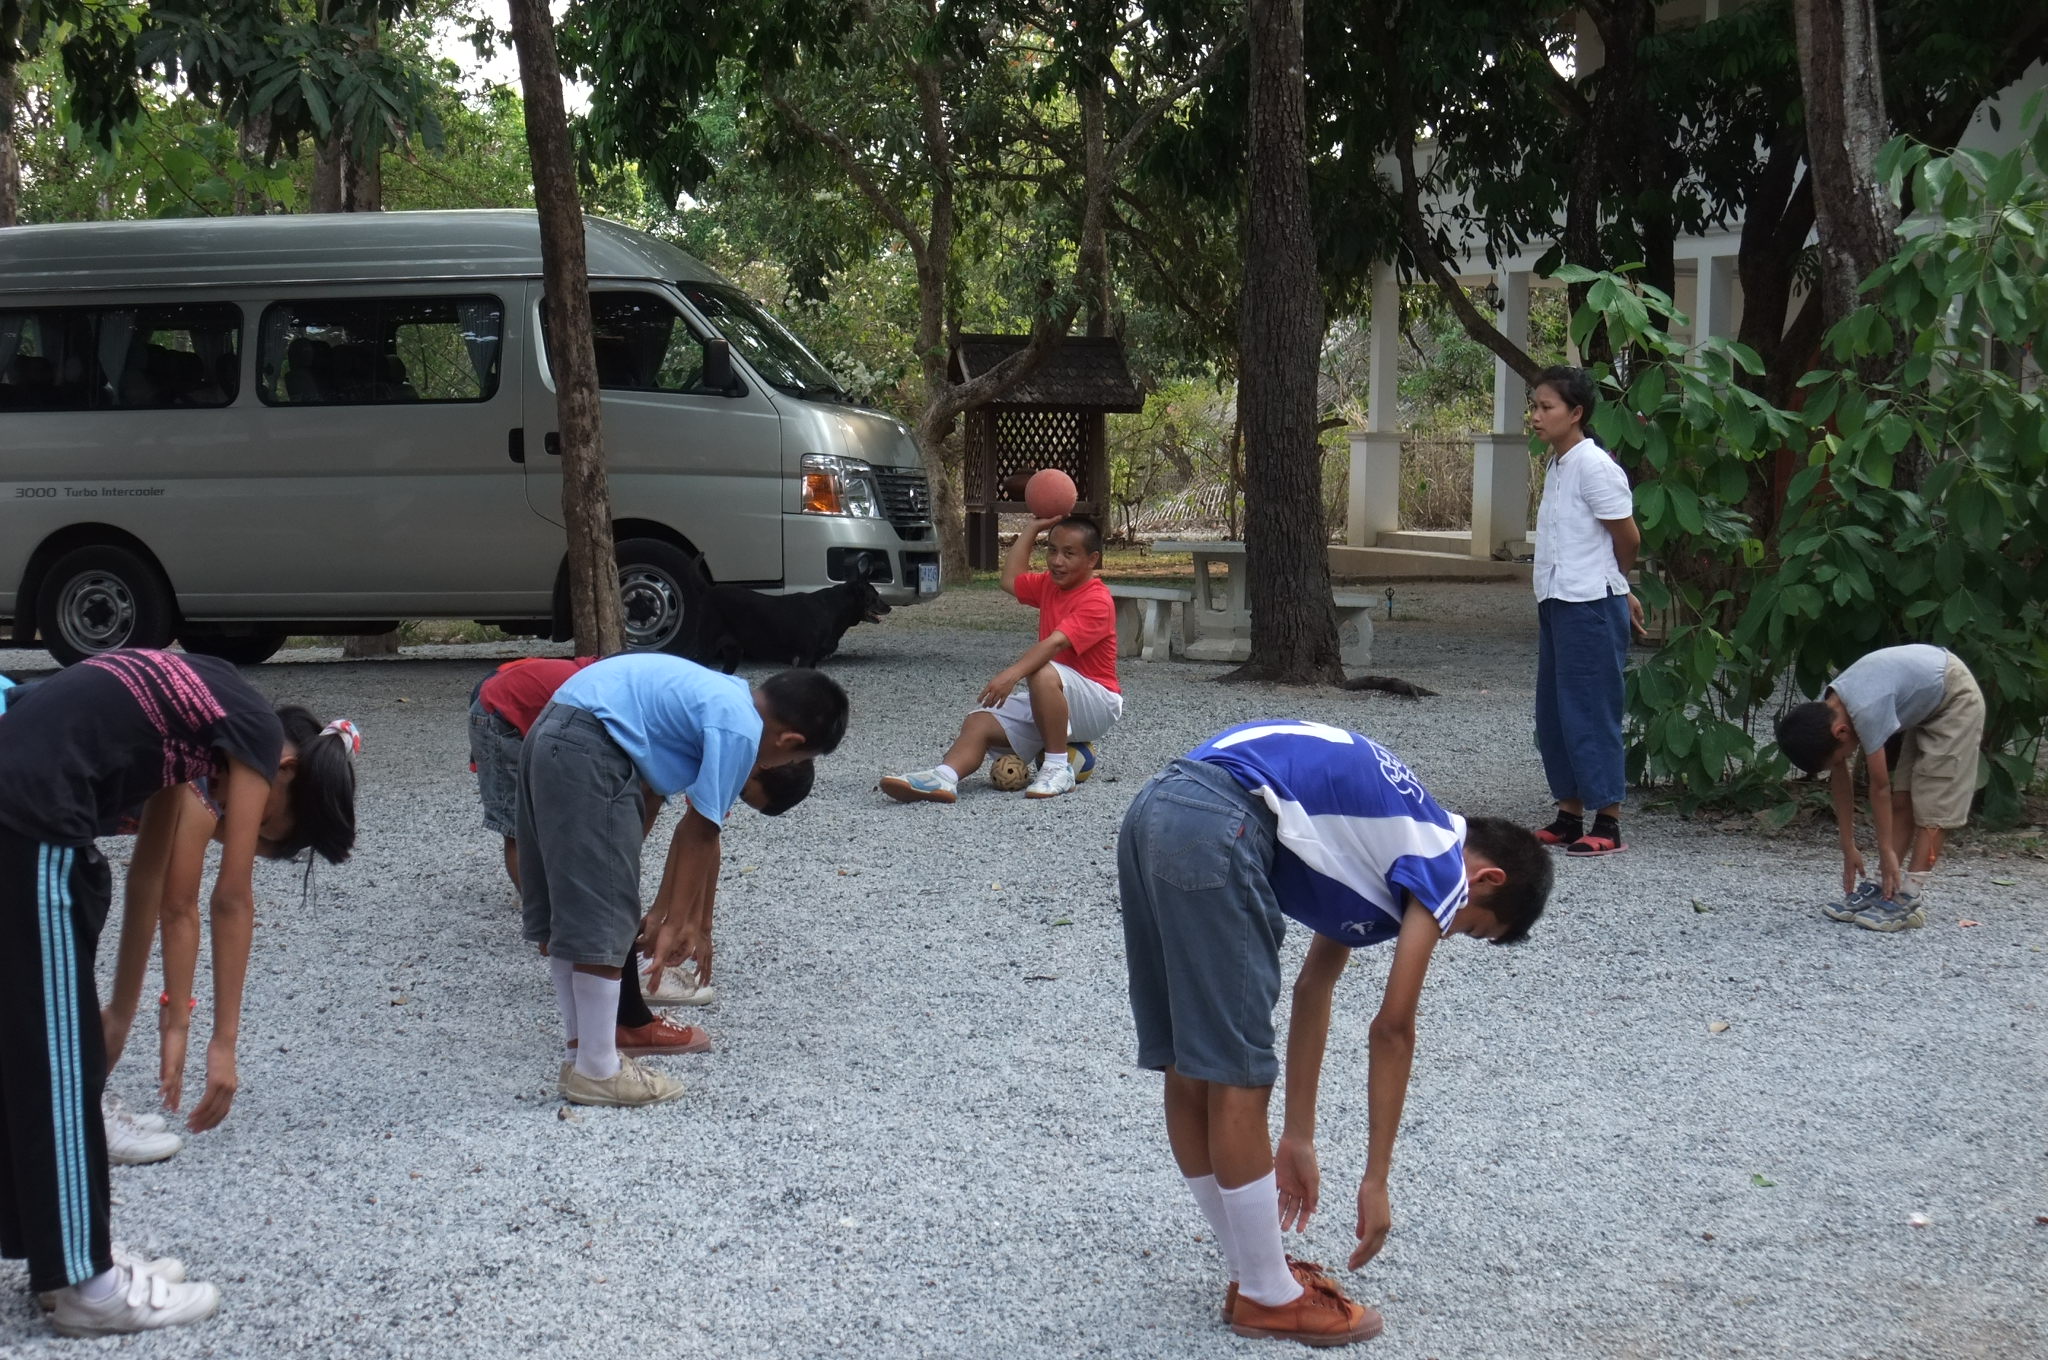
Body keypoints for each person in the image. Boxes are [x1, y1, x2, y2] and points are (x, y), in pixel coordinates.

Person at [1118, 719, 1553, 1345]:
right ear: (1487, 881)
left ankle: (1252, 1272)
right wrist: (1376, 1180)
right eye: (1473, 929)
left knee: (1190, 1063)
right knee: (1236, 1071)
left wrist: (1298, 1136)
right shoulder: (1442, 865)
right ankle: (1268, 1297)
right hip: (1220, 819)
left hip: (1159, 805)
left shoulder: (1385, 839)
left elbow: (1312, 987)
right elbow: (1393, 1029)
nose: (1448, 931)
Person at [0, 648, 356, 1337]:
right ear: (286, 771)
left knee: (40, 1046)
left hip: (23, 804)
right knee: (57, 1062)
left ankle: (53, 1260)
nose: (230, 820)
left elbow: (152, 878)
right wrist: (220, 1045)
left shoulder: (198, 720)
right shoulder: (252, 732)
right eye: (260, 821)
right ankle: (85, 1281)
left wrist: (123, 1012)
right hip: (33, 811)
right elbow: (230, 900)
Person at [519, 653, 847, 1108]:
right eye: (786, 759)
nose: (769, 766)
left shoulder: (722, 695)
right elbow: (701, 829)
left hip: (552, 728)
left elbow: (674, 815)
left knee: (577, 914)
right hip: (589, 747)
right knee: (604, 918)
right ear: (789, 739)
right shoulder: (741, 729)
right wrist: (678, 924)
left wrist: (678, 913)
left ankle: (583, 1053)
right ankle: (597, 1070)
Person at [881, 515, 1121, 802]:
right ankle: (944, 777)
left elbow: (1054, 644)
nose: (1057, 561)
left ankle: (1058, 768)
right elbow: (1009, 580)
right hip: (1053, 693)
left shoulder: (1097, 599)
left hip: (1097, 703)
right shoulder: (1049, 585)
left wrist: (1011, 675)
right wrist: (1032, 528)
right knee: (980, 720)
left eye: (1069, 553)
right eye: (1052, 550)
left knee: (1041, 672)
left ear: (1092, 559)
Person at [1774, 644, 1986, 932]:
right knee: (1904, 798)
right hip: (1927, 705)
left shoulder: (1865, 711)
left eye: (1841, 756)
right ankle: (1885, 884)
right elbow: (1841, 780)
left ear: (1841, 733)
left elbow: (1879, 786)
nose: (1844, 760)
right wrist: (1848, 845)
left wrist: (1885, 849)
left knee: (1934, 805)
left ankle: (1910, 893)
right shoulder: (1830, 710)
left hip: (1954, 699)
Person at [1527, 365, 1646, 856]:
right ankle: (1569, 812)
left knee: (1592, 711)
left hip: (1590, 603)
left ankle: (1609, 820)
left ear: (1576, 413)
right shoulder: (1558, 463)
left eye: (1546, 407)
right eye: (1534, 406)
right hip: (1557, 600)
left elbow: (1628, 537)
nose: (1535, 416)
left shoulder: (1596, 467)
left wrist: (1617, 584)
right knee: (1555, 712)